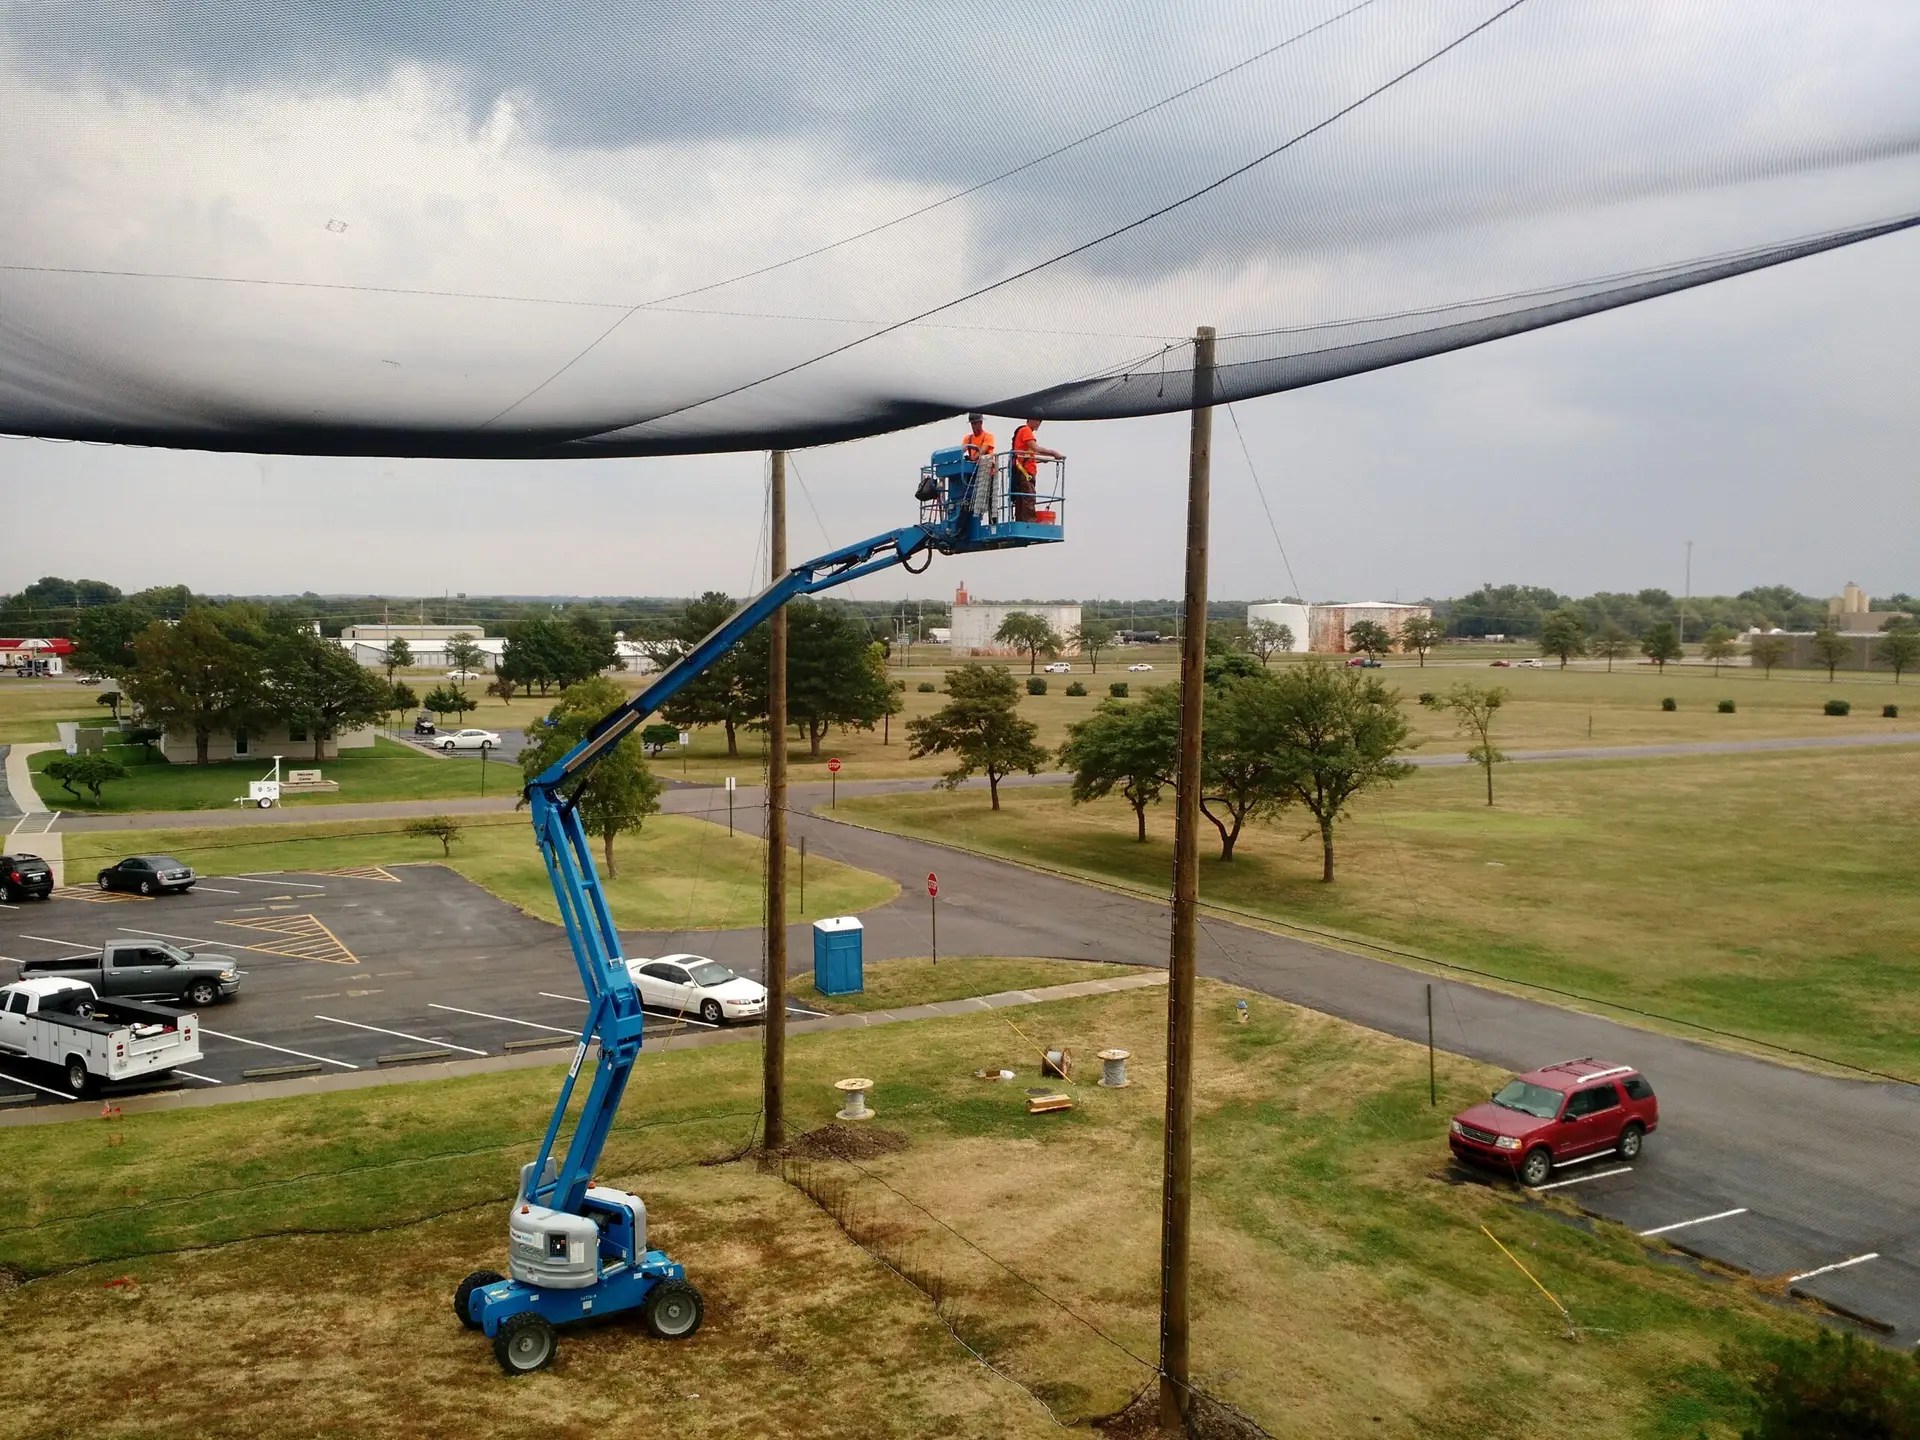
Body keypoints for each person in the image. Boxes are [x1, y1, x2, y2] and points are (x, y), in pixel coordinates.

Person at [1008, 418, 1063, 522]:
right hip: (1025, 473)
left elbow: (1027, 455)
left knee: (1021, 499)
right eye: (1036, 420)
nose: (1038, 423)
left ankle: (1020, 522)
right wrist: (1053, 453)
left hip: (1022, 470)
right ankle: (1029, 523)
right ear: (1029, 419)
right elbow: (1036, 448)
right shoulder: (1026, 430)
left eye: (1040, 421)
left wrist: (1041, 460)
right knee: (1029, 498)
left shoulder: (1022, 431)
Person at [961, 412, 997, 523]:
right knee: (969, 498)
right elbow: (961, 450)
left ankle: (992, 521)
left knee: (990, 498)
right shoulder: (968, 438)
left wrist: (973, 458)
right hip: (973, 473)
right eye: (972, 424)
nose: (973, 426)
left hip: (987, 472)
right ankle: (968, 520)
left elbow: (983, 450)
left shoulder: (988, 436)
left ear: (981, 423)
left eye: (975, 423)